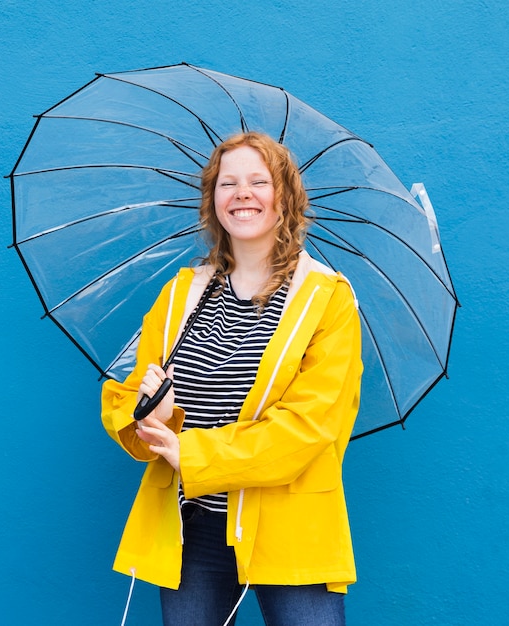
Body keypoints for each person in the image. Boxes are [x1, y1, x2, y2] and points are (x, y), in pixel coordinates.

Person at [101, 131, 363, 626]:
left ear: (284, 198)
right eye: (228, 183)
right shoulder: (181, 293)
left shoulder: (326, 298)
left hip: (291, 525)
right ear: (213, 200)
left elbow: (310, 425)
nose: (242, 193)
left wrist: (192, 453)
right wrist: (147, 413)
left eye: (258, 181)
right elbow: (127, 392)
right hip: (192, 527)